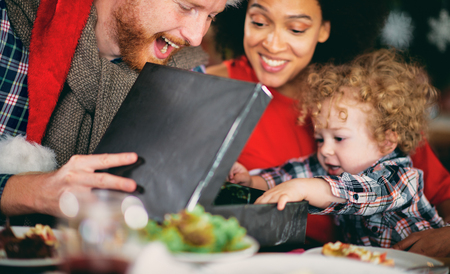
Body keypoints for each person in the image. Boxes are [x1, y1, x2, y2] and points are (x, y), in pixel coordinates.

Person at [206, 0, 450, 256]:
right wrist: (250, 181)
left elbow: (426, 189)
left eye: (296, 28)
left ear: (324, 28)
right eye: (258, 22)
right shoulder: (211, 88)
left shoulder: (364, 96)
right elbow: (293, 173)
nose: (273, 43)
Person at [0, 0, 240, 225]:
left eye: (211, 16)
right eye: (186, 6)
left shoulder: (187, 75)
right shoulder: (7, 27)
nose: (197, 36)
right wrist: (35, 192)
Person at [228, 49, 446, 247]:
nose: (324, 150)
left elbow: (354, 192)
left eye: (339, 138)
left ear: (385, 142)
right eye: (320, 139)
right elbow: (289, 173)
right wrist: (251, 181)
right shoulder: (334, 166)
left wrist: (303, 188)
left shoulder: (399, 179)